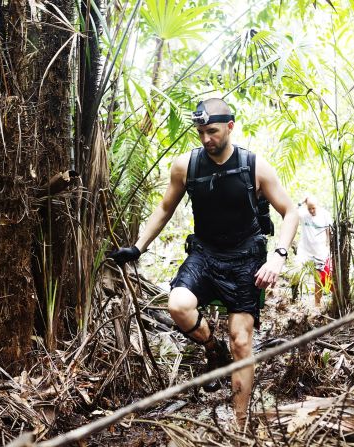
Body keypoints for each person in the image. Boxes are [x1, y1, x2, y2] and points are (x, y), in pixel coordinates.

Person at [109, 98, 298, 426]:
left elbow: (290, 211)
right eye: (200, 132)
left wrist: (279, 256)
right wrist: (137, 248)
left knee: (241, 339)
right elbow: (165, 209)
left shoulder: (254, 166)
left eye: (212, 131)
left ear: (230, 127)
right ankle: (213, 348)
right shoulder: (186, 166)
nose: (206, 138)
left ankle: (239, 425)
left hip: (245, 259)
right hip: (206, 254)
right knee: (178, 305)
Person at [297, 196, 332, 307]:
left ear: (318, 206)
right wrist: (301, 201)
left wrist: (329, 246)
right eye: (309, 209)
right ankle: (295, 298)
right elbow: (291, 213)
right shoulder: (303, 214)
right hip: (306, 252)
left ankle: (317, 303)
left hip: (320, 252)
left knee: (318, 279)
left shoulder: (325, 214)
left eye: (314, 208)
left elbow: (329, 231)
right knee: (297, 276)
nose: (312, 211)